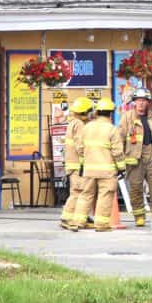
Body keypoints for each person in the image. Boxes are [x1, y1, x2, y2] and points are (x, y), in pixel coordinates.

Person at [69, 98, 125, 232]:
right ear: (110, 113)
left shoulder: (87, 127)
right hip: (107, 171)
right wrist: (122, 168)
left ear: (97, 112)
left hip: (88, 170)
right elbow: (117, 152)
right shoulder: (112, 129)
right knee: (105, 195)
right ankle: (101, 225)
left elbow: (80, 148)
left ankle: (76, 222)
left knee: (85, 195)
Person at [119, 88, 152, 227]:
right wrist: (120, 159)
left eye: (143, 101)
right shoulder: (127, 117)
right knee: (135, 187)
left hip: (151, 154)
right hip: (134, 157)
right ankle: (139, 217)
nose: (140, 104)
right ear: (134, 102)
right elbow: (120, 138)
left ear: (148, 103)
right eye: (138, 101)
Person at [59, 96, 93, 229]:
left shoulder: (73, 122)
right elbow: (80, 146)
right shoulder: (79, 124)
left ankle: (80, 216)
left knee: (79, 192)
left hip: (73, 165)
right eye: (90, 111)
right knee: (78, 192)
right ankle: (67, 217)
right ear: (85, 112)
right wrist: (88, 159)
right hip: (78, 166)